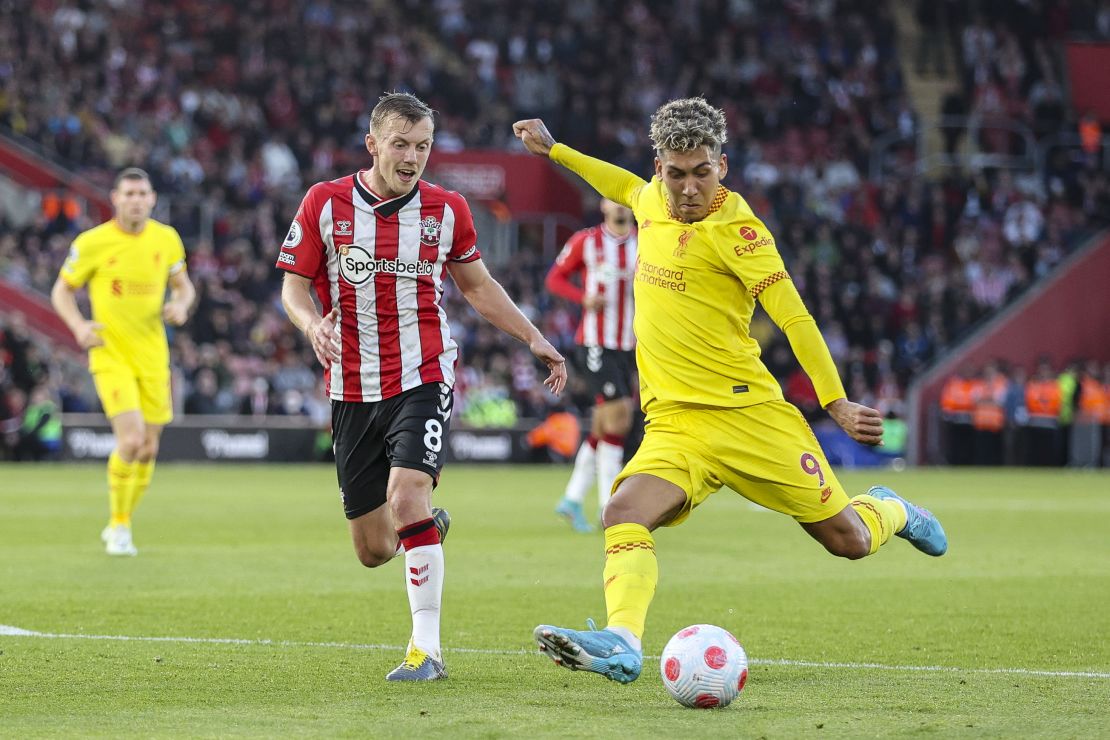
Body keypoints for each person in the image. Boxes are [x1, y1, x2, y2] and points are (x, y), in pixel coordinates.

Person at [513, 97, 947, 685]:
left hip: (750, 417)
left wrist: (834, 400)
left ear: (723, 165)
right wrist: (556, 151)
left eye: (702, 173)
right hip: (677, 424)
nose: (688, 188)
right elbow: (618, 183)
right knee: (623, 511)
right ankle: (621, 641)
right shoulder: (650, 202)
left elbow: (794, 318)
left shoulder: (741, 233)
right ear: (659, 167)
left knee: (848, 540)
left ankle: (892, 508)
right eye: (675, 174)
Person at [277, 92, 566, 682]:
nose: (413, 157)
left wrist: (532, 336)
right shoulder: (324, 203)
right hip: (351, 386)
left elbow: (478, 286)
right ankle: (427, 531)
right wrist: (312, 325)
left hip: (423, 374)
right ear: (374, 144)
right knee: (374, 549)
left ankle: (425, 650)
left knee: (407, 494)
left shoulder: (448, 209)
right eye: (402, 144)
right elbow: (293, 289)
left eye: (424, 146)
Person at [51, 167, 195, 557]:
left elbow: (184, 286)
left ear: (152, 199)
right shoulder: (93, 242)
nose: (135, 199)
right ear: (114, 198)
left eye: (142, 193)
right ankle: (118, 527)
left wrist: (180, 305)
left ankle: (122, 521)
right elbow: (62, 291)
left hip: (153, 357)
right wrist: (79, 326)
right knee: (130, 441)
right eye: (128, 193)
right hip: (111, 355)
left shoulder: (166, 240)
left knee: (148, 450)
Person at [545, 199, 637, 532]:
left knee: (604, 424)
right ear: (603, 205)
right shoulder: (586, 241)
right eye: (615, 200)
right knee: (621, 416)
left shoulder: (644, 242)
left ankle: (571, 499)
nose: (621, 207)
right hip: (596, 342)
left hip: (629, 344)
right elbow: (555, 279)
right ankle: (608, 508)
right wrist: (582, 298)